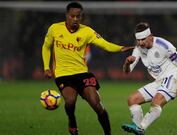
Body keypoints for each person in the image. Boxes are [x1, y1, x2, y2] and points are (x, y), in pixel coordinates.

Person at [41, 2, 133, 135]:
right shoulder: (55, 28)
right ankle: (72, 121)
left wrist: (121, 48)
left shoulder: (87, 31)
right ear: (67, 15)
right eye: (72, 16)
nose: (75, 19)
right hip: (63, 74)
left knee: (97, 105)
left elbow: (105, 44)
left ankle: (108, 133)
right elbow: (46, 47)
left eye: (78, 16)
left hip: (82, 73)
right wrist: (46, 67)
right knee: (70, 102)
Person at [121, 22, 177, 135]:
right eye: (138, 40)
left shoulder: (164, 46)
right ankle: (139, 130)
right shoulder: (138, 49)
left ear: (150, 36)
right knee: (132, 100)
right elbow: (127, 71)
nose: (141, 43)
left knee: (156, 101)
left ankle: (140, 129)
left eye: (143, 39)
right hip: (159, 81)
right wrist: (127, 63)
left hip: (172, 78)